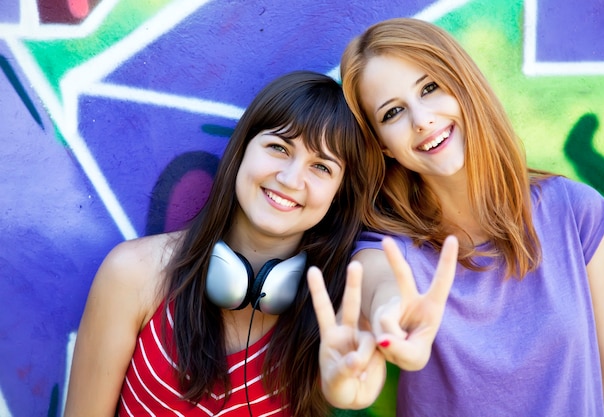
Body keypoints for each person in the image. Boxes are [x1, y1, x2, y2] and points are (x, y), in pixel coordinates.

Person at [340, 18, 604, 416]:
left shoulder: (573, 210)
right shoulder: (389, 250)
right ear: (382, 146)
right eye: (392, 113)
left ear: (463, 87)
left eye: (430, 88)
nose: (421, 119)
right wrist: (390, 316)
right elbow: (379, 288)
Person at [63, 70, 392, 417]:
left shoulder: (332, 316)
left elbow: (361, 376)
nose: (291, 178)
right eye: (279, 147)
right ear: (242, 151)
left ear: (338, 195)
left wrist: (353, 386)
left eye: (321, 167)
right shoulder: (135, 274)